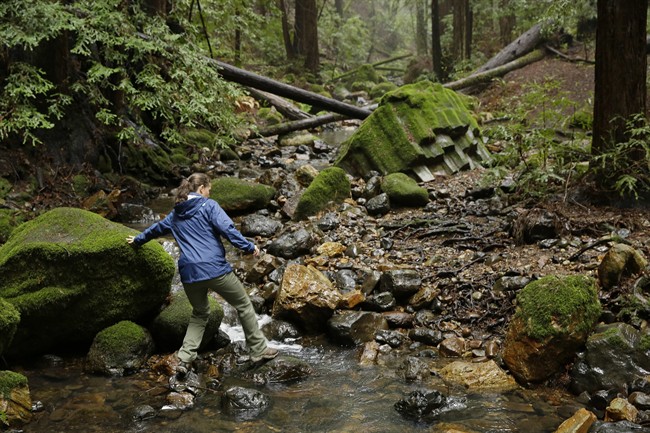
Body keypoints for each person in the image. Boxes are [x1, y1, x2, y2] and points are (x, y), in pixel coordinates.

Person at [126, 173, 278, 378]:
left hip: (189, 273)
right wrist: (248, 247)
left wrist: (137, 240)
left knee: (200, 313)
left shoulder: (175, 214)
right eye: (208, 190)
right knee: (243, 304)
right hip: (214, 269)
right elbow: (227, 228)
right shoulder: (209, 206)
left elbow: (154, 230)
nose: (209, 193)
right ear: (201, 189)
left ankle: (185, 357)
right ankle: (258, 350)